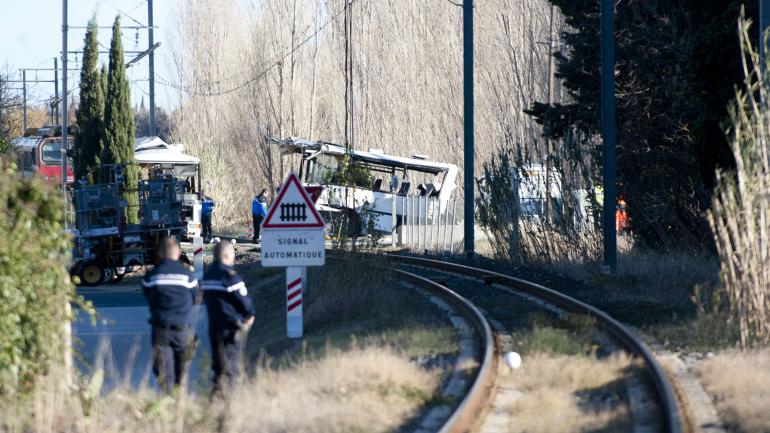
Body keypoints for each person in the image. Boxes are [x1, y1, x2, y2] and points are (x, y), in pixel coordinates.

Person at [142, 236, 201, 394]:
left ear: (160, 253)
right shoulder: (189, 277)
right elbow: (196, 299)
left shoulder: (150, 278)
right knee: (181, 373)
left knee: (163, 371)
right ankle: (180, 399)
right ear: (179, 252)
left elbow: (148, 296)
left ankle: (169, 403)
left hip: (161, 330)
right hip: (183, 331)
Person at [201, 241, 255, 397]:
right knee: (232, 368)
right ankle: (228, 402)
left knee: (218, 366)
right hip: (231, 329)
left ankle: (215, 400)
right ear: (227, 255)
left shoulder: (208, 275)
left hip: (214, 328)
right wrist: (250, 316)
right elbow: (246, 305)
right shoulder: (230, 276)